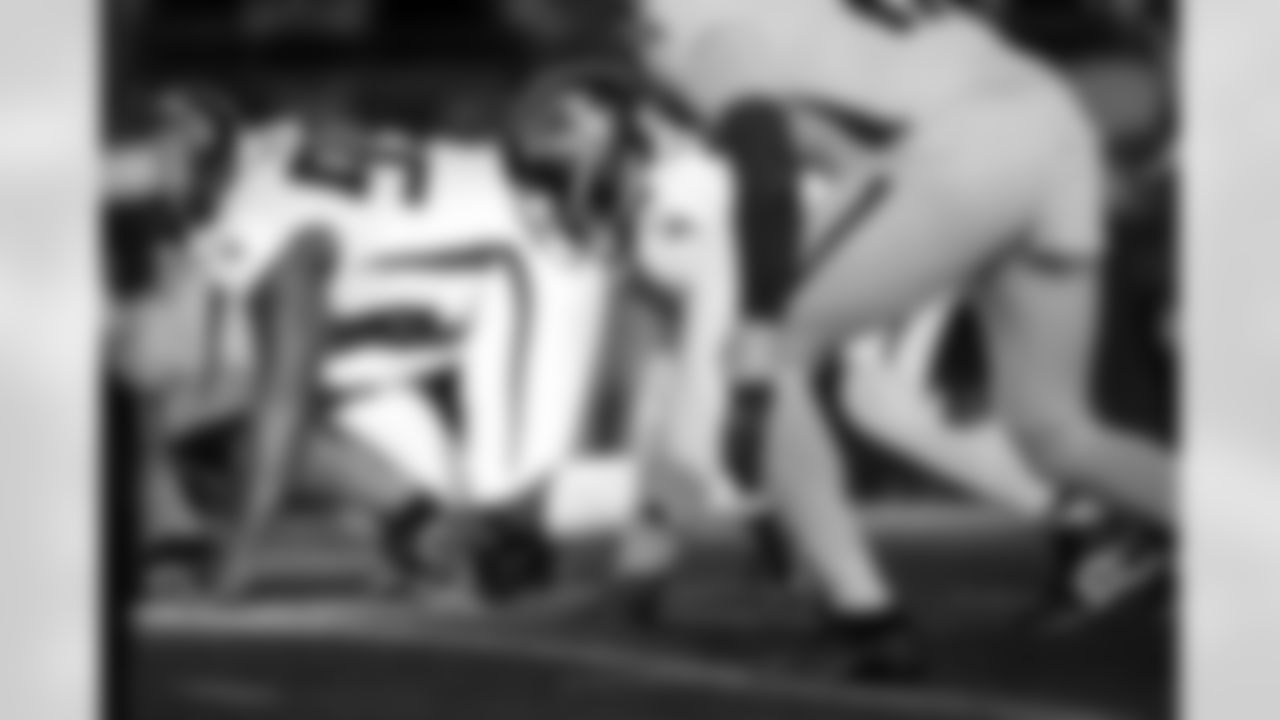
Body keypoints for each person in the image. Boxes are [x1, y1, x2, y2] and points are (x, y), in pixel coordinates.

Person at [499, 0, 1173, 679]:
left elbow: (767, 175)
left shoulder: (685, 36)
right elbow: (828, 133)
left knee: (766, 360)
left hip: (953, 150)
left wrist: (765, 327)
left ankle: (868, 619)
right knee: (1056, 431)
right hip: (1044, 122)